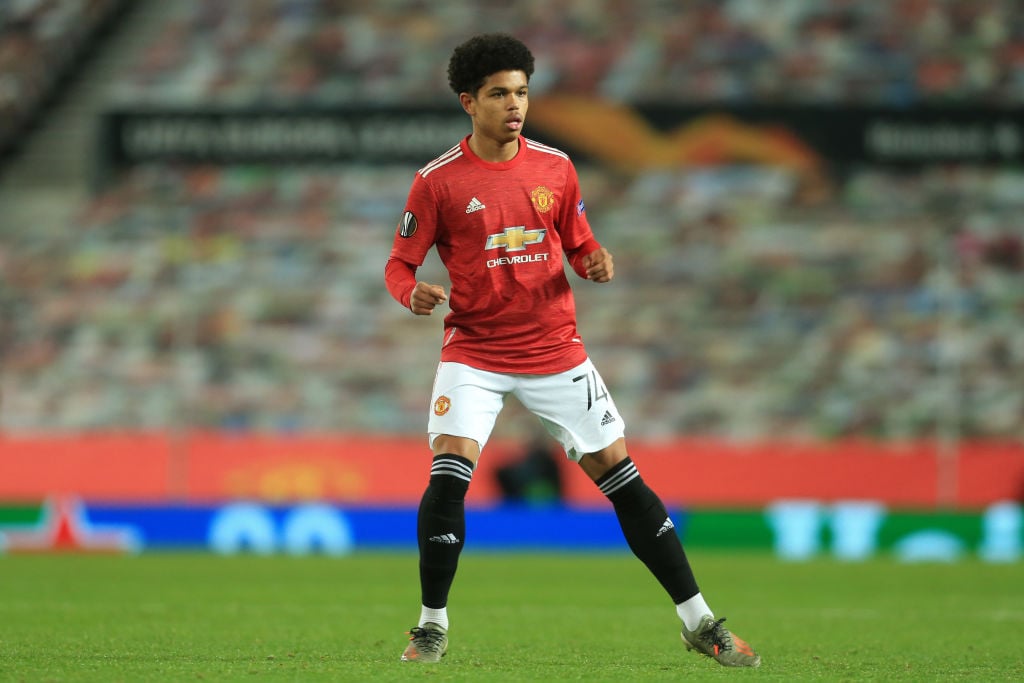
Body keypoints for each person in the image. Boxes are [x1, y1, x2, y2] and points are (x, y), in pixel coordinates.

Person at [384, 33, 761, 668]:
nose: (515, 105)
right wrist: (412, 293)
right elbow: (399, 263)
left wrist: (594, 259)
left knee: (623, 479)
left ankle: (699, 622)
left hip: (556, 350)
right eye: (500, 94)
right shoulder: (437, 182)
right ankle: (430, 626)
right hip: (474, 350)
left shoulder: (556, 167)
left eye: (523, 92)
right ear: (468, 102)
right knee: (449, 473)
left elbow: (580, 241)